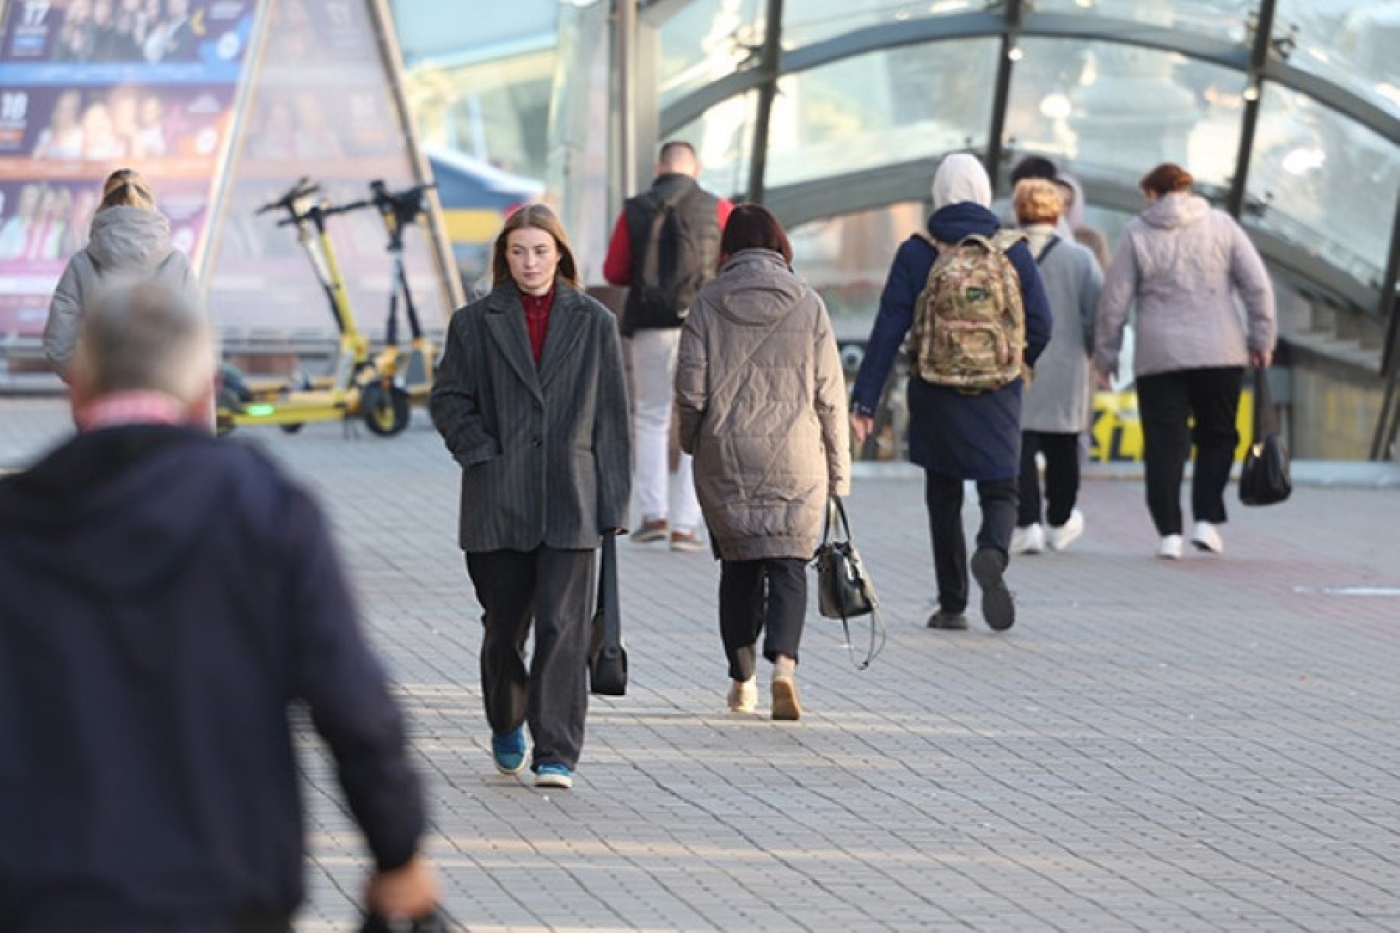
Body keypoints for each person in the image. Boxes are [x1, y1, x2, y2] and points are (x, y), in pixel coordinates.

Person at [0, 283, 438, 929]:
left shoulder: (17, 523)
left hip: (42, 892)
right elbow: (351, 699)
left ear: (79, 387)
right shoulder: (265, 508)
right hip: (222, 888)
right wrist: (396, 849)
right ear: (205, 390)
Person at [430, 204, 631, 791]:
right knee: (503, 629)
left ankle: (557, 751)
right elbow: (448, 400)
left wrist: (613, 504)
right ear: (504, 257)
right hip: (499, 497)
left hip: (573, 495)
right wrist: (482, 451)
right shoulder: (475, 323)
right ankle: (505, 716)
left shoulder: (594, 322)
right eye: (518, 252)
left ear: (561, 255)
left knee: (564, 628)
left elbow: (613, 419)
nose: (530, 262)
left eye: (540, 251)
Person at [850, 153, 1051, 632]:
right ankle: (992, 551)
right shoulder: (1012, 251)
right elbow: (1042, 322)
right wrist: (1014, 363)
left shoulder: (918, 251)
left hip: (935, 390)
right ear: (983, 191)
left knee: (943, 496)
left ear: (939, 193)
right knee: (1001, 488)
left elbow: (887, 329)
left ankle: (953, 603)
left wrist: (864, 402)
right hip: (997, 392)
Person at [675, 204, 850, 721]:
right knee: (790, 563)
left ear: (727, 248)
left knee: (739, 566)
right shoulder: (809, 303)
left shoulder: (707, 302)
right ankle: (785, 668)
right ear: (780, 244)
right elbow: (831, 396)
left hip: (726, 453)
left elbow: (690, 390)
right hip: (797, 455)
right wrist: (839, 475)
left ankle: (742, 679)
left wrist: (693, 443)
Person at [1095, 162, 1276, 559]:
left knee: (1164, 443)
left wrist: (1106, 355)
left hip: (1160, 354)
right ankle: (1206, 521)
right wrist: (1262, 338)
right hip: (1221, 350)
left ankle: (1168, 534)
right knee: (1218, 435)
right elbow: (1256, 286)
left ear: (1154, 193)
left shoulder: (1136, 232)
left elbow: (1114, 301)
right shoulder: (1223, 225)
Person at [603, 140, 734, 552]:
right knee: (699, 419)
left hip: (650, 328)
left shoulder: (635, 209)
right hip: (702, 327)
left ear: (660, 166)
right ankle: (685, 526)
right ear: (696, 167)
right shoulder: (719, 208)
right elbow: (731, 264)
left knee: (651, 418)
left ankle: (652, 515)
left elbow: (615, 270)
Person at [1010, 179, 1103, 554]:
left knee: (1021, 445)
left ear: (1018, 212)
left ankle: (1027, 522)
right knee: (1064, 446)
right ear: (1059, 212)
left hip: (1019, 364)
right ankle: (1060, 518)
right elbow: (1097, 313)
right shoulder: (1081, 259)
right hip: (1067, 363)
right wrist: (1094, 351)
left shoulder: (1005, 256)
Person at [45, 168, 197, 381]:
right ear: (150, 203)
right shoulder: (177, 263)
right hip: (165, 396)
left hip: (101, 399)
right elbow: (195, 343)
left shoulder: (82, 263)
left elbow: (58, 343)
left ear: (103, 203)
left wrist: (89, 384)